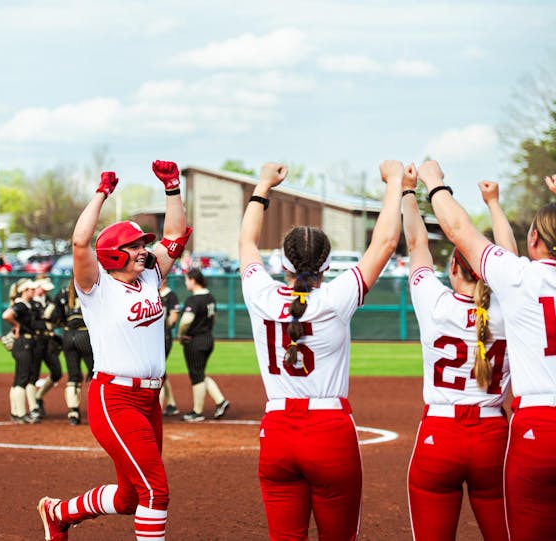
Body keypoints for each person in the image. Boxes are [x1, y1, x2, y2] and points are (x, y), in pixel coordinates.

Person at [238, 161, 403, 540]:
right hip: (329, 432)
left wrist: (264, 184)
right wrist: (394, 182)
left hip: (277, 432)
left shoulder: (259, 293)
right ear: (327, 266)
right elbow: (385, 243)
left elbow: (246, 242)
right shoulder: (336, 297)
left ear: (283, 263)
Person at [37, 160, 191, 541]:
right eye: (135, 245)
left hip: (149, 399)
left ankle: (58, 513)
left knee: (129, 498)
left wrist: (172, 186)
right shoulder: (97, 288)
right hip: (115, 399)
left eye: (143, 244)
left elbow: (175, 235)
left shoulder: (151, 275)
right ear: (114, 253)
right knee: (156, 491)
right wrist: (101, 193)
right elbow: (80, 243)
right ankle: (58, 515)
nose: (144, 249)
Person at [418, 161, 556, 541]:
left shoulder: (522, 279)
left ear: (533, 243)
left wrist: (434, 183)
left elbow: (458, 228)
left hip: (538, 428)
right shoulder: (518, 281)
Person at [403, 166, 513, 541]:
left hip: (441, 434)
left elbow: (417, 247)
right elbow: (510, 260)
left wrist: (407, 192)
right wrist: (493, 205)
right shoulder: (508, 305)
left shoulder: (433, 301)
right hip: (493, 437)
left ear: (452, 267)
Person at [177, 268, 229, 422]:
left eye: (187, 279)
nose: (186, 283)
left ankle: (197, 412)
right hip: (208, 338)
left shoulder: (194, 300)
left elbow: (186, 320)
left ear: (193, 280)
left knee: (196, 375)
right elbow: (214, 318)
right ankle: (220, 401)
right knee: (200, 373)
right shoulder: (210, 297)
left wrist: (180, 335)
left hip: (195, 340)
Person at [54, 276, 95, 425]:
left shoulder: (63, 293)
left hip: (68, 335)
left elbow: (52, 316)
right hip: (85, 335)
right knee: (95, 373)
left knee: (73, 376)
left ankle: (73, 413)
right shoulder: (90, 290)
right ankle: (96, 410)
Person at [2, 279, 39, 423]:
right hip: (24, 343)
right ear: (24, 290)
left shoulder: (26, 305)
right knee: (22, 378)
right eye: (31, 289)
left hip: (24, 343)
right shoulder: (21, 305)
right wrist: (16, 324)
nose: (33, 291)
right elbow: (6, 315)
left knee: (19, 378)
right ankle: (20, 414)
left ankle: (16, 413)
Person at [30, 277, 63, 420]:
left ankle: (38, 395)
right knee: (33, 375)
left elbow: (57, 319)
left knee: (57, 372)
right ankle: (34, 407)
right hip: (35, 341)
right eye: (42, 287)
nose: (44, 290)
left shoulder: (49, 300)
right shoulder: (29, 302)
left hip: (48, 341)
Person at [159, 279, 181, 417]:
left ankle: (158, 407)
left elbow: (173, 319)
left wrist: (162, 326)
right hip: (154, 338)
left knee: (158, 372)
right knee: (162, 371)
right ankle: (172, 404)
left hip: (164, 337)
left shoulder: (170, 296)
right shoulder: (151, 292)